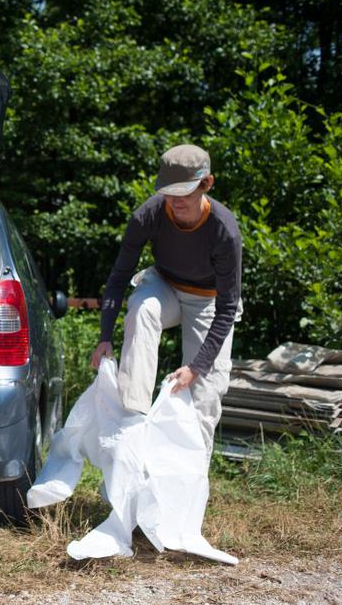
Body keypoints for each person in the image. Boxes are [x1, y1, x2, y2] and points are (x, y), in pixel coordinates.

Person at [90, 144, 242, 461]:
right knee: (143, 308)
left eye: (184, 192)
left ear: (207, 184)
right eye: (168, 192)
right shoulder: (148, 215)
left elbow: (228, 308)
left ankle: (191, 477)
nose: (175, 201)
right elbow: (119, 277)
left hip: (209, 302)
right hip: (166, 287)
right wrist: (105, 337)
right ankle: (129, 435)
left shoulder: (224, 230)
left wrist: (196, 368)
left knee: (204, 392)